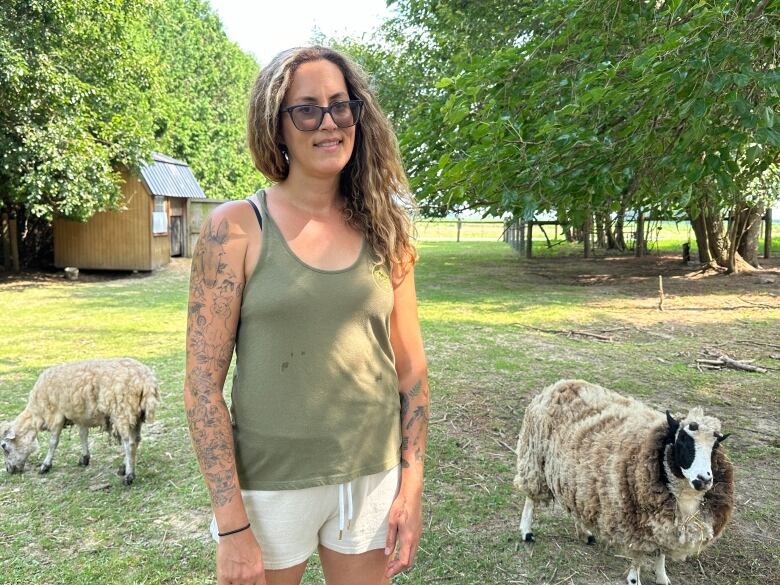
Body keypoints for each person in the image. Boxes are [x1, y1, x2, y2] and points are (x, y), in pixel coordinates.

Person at [183, 46, 429, 585]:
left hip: (369, 476)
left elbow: (410, 372)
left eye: (341, 106)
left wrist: (410, 487)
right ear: (277, 125)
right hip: (268, 484)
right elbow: (202, 389)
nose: (328, 123)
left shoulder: (389, 233)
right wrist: (231, 527)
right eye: (307, 109)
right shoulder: (235, 230)